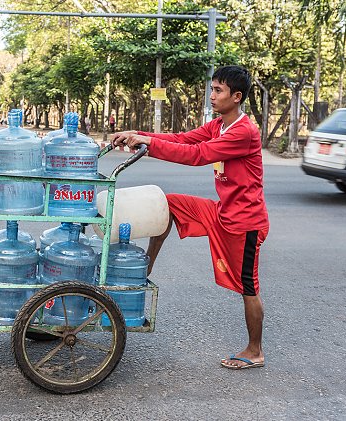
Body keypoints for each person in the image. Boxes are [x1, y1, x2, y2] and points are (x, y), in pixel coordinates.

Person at [111, 65, 269, 371]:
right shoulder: (218, 125)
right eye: (211, 88)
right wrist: (138, 135)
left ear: (237, 97)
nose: (212, 95)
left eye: (218, 90)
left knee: (248, 287)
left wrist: (148, 144)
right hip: (221, 212)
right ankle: (144, 270)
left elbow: (197, 156)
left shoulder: (243, 132)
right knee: (167, 204)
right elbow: (183, 139)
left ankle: (255, 350)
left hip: (245, 224)